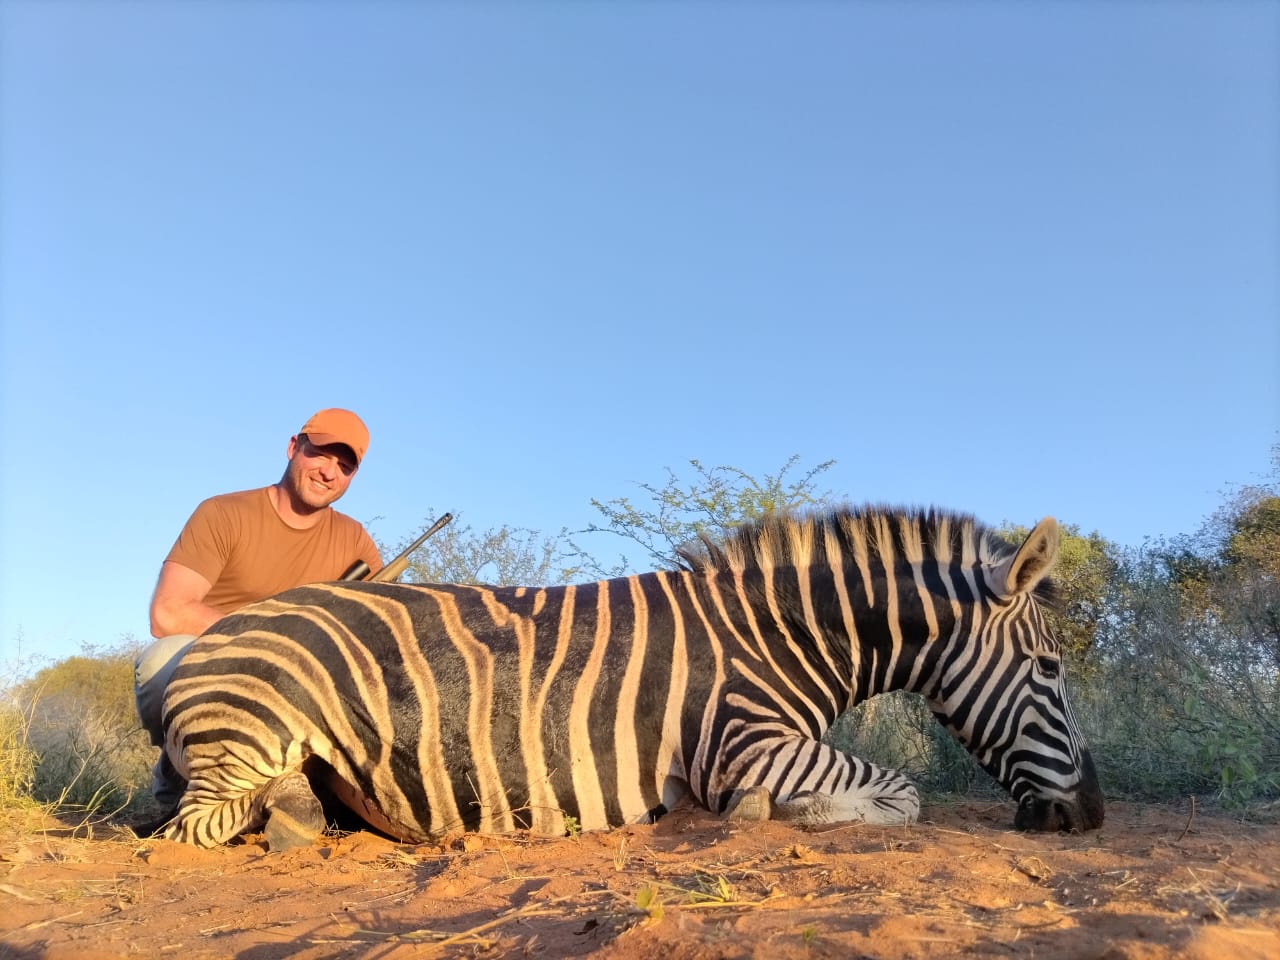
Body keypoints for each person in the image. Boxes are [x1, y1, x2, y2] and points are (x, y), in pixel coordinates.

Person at [134, 407, 383, 816]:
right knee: (160, 662)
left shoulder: (355, 541)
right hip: (223, 669)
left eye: (345, 466)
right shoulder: (222, 513)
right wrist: (275, 638)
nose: (328, 472)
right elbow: (168, 613)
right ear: (293, 447)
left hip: (305, 689)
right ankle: (185, 777)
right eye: (320, 454)